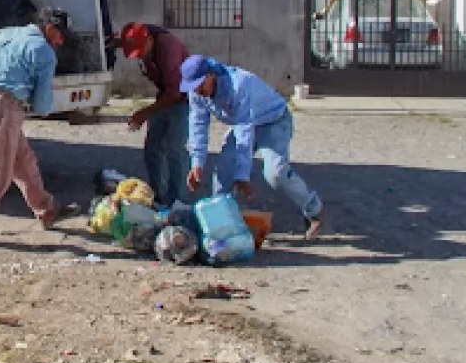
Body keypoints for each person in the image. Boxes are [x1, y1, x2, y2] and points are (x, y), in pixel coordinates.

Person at [0, 8, 75, 239]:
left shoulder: (6, 33)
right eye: (61, 35)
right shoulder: (44, 51)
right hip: (5, 106)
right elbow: (42, 104)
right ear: (49, 28)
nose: (62, 41)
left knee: (24, 161)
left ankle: (47, 209)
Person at [179, 55, 324, 239]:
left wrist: (242, 175)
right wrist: (197, 164)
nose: (197, 90)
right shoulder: (196, 93)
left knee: (276, 173)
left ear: (210, 75)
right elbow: (198, 124)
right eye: (192, 87)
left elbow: (244, 131)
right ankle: (222, 226)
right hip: (244, 124)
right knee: (224, 172)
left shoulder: (238, 84)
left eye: (200, 84)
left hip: (273, 121)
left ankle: (314, 210)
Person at [117, 22, 191, 205]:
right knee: (152, 148)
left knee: (175, 149)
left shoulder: (168, 49)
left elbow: (175, 93)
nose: (140, 56)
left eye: (140, 51)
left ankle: (178, 201)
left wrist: (144, 113)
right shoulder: (146, 42)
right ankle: (156, 195)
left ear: (150, 40)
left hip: (183, 99)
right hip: (164, 97)